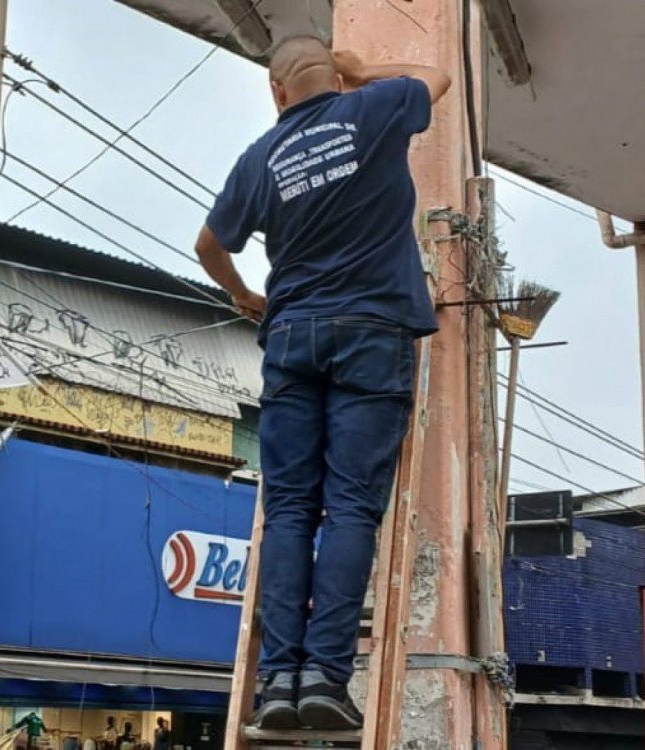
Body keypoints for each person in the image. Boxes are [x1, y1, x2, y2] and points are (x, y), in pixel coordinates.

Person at [194, 36, 451, 731]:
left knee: (289, 511)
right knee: (351, 508)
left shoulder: (260, 158)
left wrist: (247, 297)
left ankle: (277, 681)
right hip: (373, 332)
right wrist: (366, 72)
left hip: (292, 338)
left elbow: (209, 246)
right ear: (332, 76)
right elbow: (438, 74)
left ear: (276, 91)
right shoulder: (375, 108)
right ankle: (326, 680)